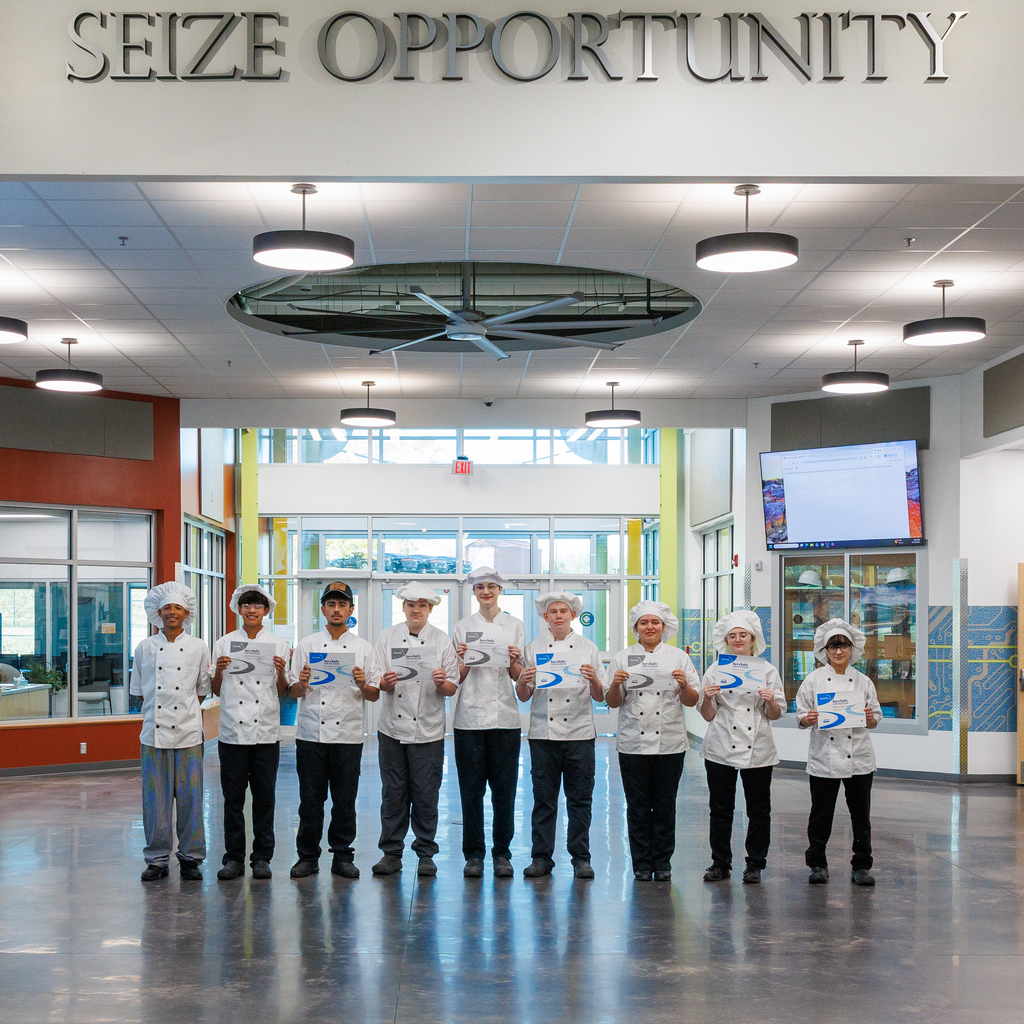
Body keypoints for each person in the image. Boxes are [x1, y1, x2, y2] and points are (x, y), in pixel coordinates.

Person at [288, 581, 381, 879]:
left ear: (351, 610)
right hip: (311, 734)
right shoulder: (307, 645)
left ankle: (342, 856)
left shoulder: (363, 648)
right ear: (323, 609)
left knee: (344, 800)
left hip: (348, 736)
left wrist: (362, 683)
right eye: (331, 604)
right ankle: (307, 856)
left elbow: (374, 694)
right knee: (310, 799)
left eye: (342, 604)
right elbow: (294, 692)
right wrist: (302, 682)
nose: (336, 609)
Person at [604, 601, 700, 882]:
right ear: (636, 628)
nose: (649, 627)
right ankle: (642, 864)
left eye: (654, 623)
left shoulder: (678, 658)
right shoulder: (623, 658)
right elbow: (612, 702)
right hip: (632, 742)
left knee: (665, 804)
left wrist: (684, 684)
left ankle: (663, 863)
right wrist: (615, 683)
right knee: (637, 806)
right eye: (644, 623)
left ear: (663, 627)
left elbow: (692, 701)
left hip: (669, 742)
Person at [514, 592, 604, 879]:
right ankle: (541, 858)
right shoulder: (534, 647)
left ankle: (581, 858)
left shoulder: (588, 647)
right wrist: (523, 680)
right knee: (544, 799)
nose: (558, 616)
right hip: (543, 733)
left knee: (580, 800)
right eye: (552, 612)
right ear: (545, 618)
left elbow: (601, 696)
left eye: (563, 611)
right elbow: (524, 696)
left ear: (573, 615)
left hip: (579, 733)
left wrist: (594, 679)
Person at [373, 582, 458, 877]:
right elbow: (379, 683)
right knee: (393, 793)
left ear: (430, 609)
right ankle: (391, 853)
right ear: (403, 608)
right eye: (411, 605)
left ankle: (425, 853)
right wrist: (387, 682)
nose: (416, 610)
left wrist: (440, 682)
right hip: (392, 729)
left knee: (425, 793)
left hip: (429, 730)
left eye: (422, 605)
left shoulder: (442, 641)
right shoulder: (387, 637)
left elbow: (450, 688)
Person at [130, 582, 211, 882]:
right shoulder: (145, 648)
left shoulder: (199, 646)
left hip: (189, 734)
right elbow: (140, 692)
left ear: (186, 613)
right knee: (155, 801)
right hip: (153, 734)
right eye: (167, 608)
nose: (172, 612)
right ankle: (157, 859)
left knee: (190, 799)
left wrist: (185, 711)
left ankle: (191, 858)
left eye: (177, 607)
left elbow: (202, 691)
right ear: (158, 613)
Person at [210, 584, 291, 881]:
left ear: (266, 611)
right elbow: (216, 689)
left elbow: (283, 691)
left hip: (266, 733)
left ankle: (262, 858)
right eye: (247, 605)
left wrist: (282, 671)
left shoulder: (278, 645)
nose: (252, 610)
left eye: (257, 606)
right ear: (238, 610)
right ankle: (233, 858)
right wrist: (219, 670)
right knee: (232, 798)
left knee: (264, 797)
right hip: (232, 731)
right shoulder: (224, 643)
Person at [698, 610, 785, 885]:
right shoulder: (714, 670)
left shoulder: (768, 670)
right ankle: (720, 863)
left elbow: (775, 714)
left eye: (742, 635)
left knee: (758, 809)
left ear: (752, 639)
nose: (737, 639)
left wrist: (770, 700)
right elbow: (707, 715)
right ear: (726, 640)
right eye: (732, 635)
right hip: (721, 744)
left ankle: (755, 864)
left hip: (757, 746)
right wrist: (708, 699)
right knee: (720, 808)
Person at [451, 566, 526, 879]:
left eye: (491, 587)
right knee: (470, 792)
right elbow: (456, 677)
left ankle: (502, 854)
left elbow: (518, 676)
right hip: (469, 718)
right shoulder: (462, 627)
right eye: (480, 587)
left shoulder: (515, 626)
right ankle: (474, 855)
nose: (486, 592)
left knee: (504, 792)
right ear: (473, 592)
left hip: (505, 719)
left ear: (500, 591)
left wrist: (514, 660)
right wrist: (464, 658)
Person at [796, 617, 881, 887]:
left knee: (861, 816)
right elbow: (799, 715)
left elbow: (875, 717)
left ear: (852, 649)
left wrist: (869, 718)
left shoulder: (864, 681)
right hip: (825, 756)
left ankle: (862, 866)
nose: (838, 651)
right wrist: (807, 718)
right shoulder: (813, 680)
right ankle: (817, 864)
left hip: (859, 758)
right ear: (824, 651)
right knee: (820, 814)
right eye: (833, 647)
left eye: (843, 646)